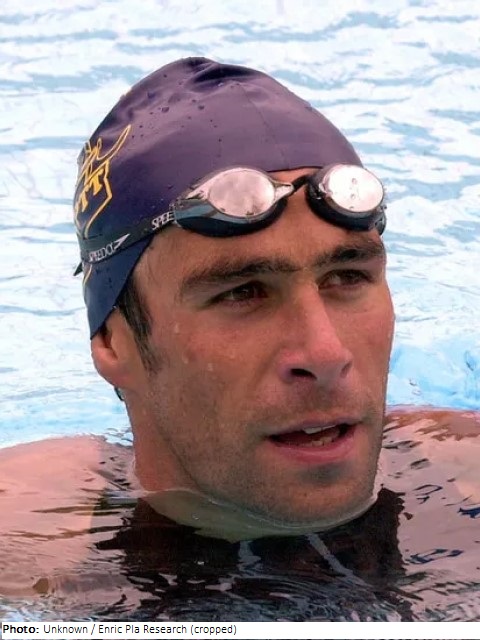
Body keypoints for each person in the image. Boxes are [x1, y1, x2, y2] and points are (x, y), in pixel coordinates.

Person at [1, 57, 479, 621]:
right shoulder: (27, 548)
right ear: (112, 340)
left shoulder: (464, 477)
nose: (326, 354)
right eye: (242, 293)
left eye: (347, 278)